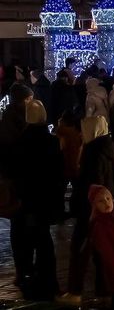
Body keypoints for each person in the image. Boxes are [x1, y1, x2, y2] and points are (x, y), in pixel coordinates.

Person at [9, 99, 63, 300]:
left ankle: (26, 274)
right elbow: (58, 173)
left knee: (24, 238)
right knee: (43, 240)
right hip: (45, 197)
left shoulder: (20, 141)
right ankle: (47, 278)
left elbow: (15, 172)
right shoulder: (52, 141)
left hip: (26, 198)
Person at [63, 115, 114, 302]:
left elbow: (92, 183)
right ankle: (104, 290)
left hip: (91, 209)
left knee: (80, 249)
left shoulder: (93, 152)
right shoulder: (106, 149)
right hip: (102, 209)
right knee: (100, 251)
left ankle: (75, 291)